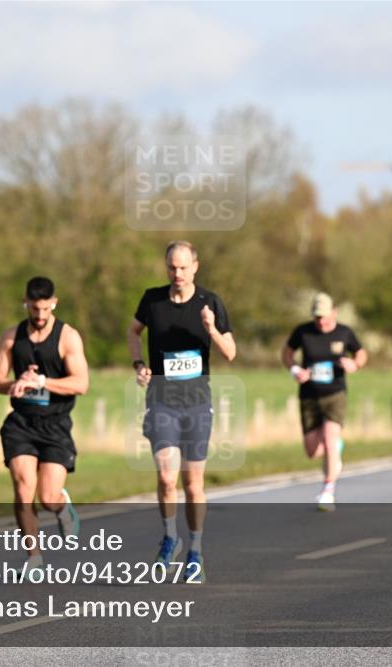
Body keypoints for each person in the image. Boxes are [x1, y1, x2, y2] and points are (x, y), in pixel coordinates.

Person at [127, 241, 236, 584]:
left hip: (197, 404)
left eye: (184, 267)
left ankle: (196, 551)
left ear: (195, 267)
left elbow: (231, 352)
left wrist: (211, 329)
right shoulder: (152, 300)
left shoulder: (210, 302)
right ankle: (169, 537)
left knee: (193, 483)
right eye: (172, 267)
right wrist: (139, 363)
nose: (178, 274)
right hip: (161, 402)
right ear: (166, 267)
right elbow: (133, 332)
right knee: (165, 476)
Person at [0, 277, 88, 581]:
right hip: (21, 424)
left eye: (46, 308)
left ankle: (62, 507)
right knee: (22, 489)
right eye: (35, 308)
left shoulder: (67, 337)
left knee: (47, 495)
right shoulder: (11, 337)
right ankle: (34, 557)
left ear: (54, 303)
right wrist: (14, 385)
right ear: (26, 304)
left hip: (56, 424)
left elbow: (81, 384)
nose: (40, 315)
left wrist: (42, 382)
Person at [282, 292, 367, 511]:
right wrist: (294, 369)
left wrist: (354, 365)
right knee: (313, 451)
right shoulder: (303, 331)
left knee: (329, 439)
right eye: (317, 317)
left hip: (335, 394)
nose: (321, 321)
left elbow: (361, 354)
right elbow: (287, 352)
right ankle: (335, 450)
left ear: (334, 313)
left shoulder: (344, 333)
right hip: (309, 395)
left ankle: (328, 491)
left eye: (325, 316)